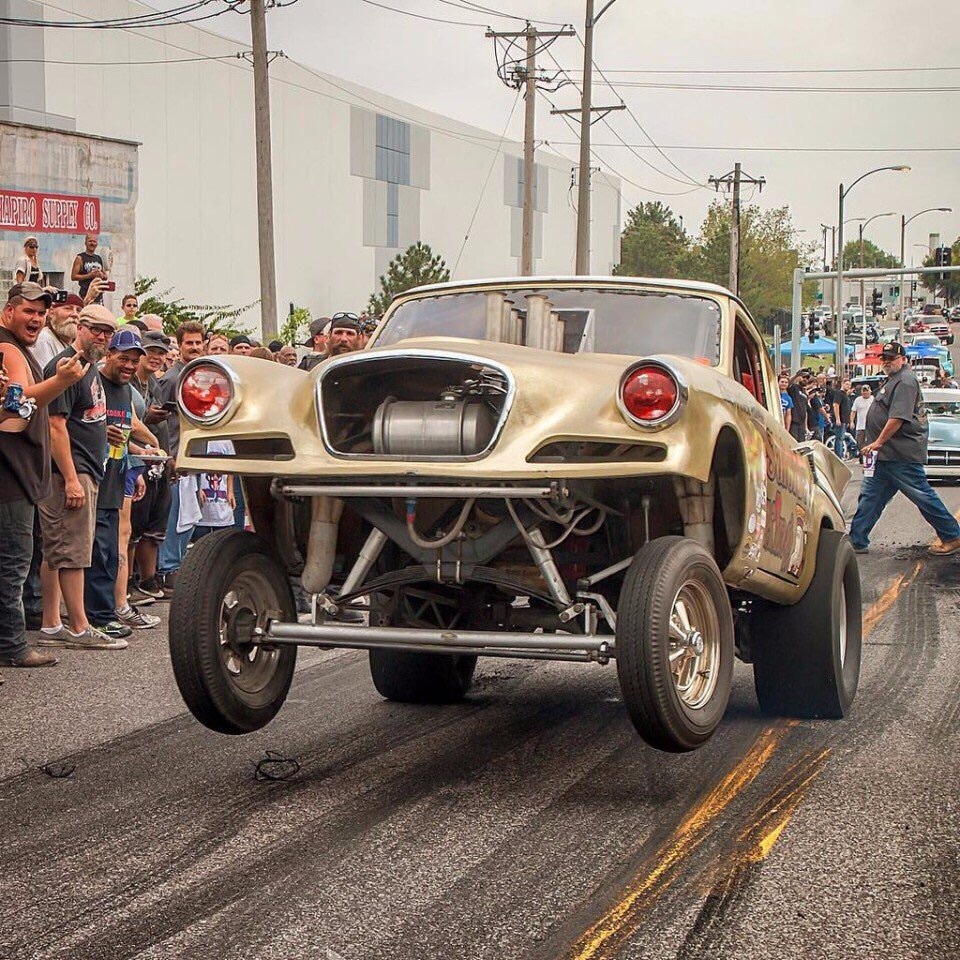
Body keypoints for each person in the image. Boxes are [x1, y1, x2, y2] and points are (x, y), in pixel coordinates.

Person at [0, 283, 87, 670]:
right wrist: (62, 382)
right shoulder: (8, 348)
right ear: (8, 312)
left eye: (40, 313)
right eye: (27, 311)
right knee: (13, 564)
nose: (35, 319)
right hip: (10, 478)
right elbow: (16, 407)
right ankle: (12, 646)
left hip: (17, 477)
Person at [37, 305, 131, 648]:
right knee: (74, 552)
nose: (103, 338)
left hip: (84, 468)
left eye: (108, 333)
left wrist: (105, 432)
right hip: (68, 474)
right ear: (80, 328)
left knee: (57, 551)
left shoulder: (89, 366)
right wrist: (72, 478)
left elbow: (80, 418)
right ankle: (79, 627)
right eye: (96, 330)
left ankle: (51, 623)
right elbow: (55, 425)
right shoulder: (68, 365)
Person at [850, 341, 960, 556]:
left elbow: (897, 418)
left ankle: (952, 535)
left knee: (922, 495)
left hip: (900, 452)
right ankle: (856, 539)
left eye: (891, 359)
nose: (886, 362)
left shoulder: (906, 382)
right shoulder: (893, 380)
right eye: (884, 359)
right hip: (885, 455)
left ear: (903, 359)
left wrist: (878, 442)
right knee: (871, 497)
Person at [93, 330, 161, 633]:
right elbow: (70, 424)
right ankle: (97, 616)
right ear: (109, 354)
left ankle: (108, 610)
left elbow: (126, 429)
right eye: (124, 358)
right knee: (97, 550)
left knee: (110, 549)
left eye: (134, 360)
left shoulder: (124, 388)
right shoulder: (93, 381)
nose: (129, 365)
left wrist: (142, 455)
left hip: (118, 473)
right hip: (91, 476)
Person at [155, 321, 206, 590]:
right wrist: (169, 457)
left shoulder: (198, 376)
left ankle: (174, 565)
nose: (194, 347)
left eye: (198, 342)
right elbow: (159, 420)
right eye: (189, 343)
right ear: (180, 345)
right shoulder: (172, 379)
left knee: (188, 517)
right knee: (174, 517)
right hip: (175, 458)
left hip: (193, 457)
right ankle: (167, 568)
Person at [129, 330, 174, 603]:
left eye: (161, 352)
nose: (156, 357)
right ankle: (131, 582)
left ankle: (148, 578)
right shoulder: (129, 380)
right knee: (133, 526)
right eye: (151, 351)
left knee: (156, 524)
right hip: (135, 459)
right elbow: (131, 421)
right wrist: (149, 418)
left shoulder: (154, 384)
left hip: (158, 460)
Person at [30, 292, 84, 370]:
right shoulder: (44, 340)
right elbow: (44, 377)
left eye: (79, 310)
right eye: (68, 308)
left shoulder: (70, 342)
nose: (75, 314)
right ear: (51, 313)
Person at [71, 234, 107, 303]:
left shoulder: (98, 258)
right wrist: (89, 275)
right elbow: (73, 277)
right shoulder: (80, 258)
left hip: (99, 294)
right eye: (90, 241)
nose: (92, 243)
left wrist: (101, 274)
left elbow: (105, 276)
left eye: (94, 241)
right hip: (86, 294)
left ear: (97, 244)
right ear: (85, 243)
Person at [850, 384, 874, 453]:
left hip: (871, 425)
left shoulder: (873, 399)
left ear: (870, 391)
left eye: (867, 391)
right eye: (864, 391)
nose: (865, 393)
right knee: (860, 443)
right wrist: (852, 422)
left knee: (870, 442)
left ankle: (869, 458)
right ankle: (862, 456)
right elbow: (853, 411)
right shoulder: (858, 400)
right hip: (860, 425)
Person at [786, 373, 809, 443]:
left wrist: (806, 427)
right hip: (794, 421)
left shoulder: (805, 393)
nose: (805, 379)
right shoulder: (794, 387)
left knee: (802, 443)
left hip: (802, 423)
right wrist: (796, 375)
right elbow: (788, 384)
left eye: (807, 378)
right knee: (793, 442)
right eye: (803, 377)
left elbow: (805, 410)